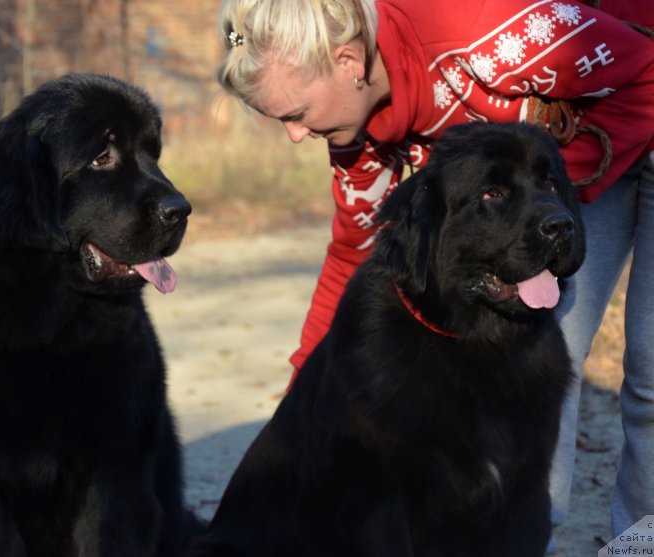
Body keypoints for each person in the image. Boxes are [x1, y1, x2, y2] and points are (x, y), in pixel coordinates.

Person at [215, 0, 654, 550]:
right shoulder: (357, 139)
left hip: (623, 107)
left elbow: (647, 68)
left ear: (349, 61)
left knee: (652, 372)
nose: (295, 136)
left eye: (295, 113)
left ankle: (644, 539)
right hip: (556, 176)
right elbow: (354, 255)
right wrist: (311, 405)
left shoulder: (482, 33)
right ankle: (534, 532)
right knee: (546, 339)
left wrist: (548, 200)